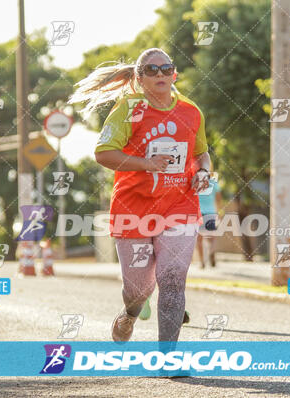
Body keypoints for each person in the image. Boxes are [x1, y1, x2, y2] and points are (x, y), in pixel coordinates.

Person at [69, 48, 211, 342]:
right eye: (151, 69)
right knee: (138, 290)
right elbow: (103, 153)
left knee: (172, 282)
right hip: (132, 209)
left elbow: (201, 154)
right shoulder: (129, 108)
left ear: (174, 73)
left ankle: (168, 358)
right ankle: (130, 313)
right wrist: (146, 164)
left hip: (179, 205)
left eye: (165, 68)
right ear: (139, 77)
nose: (159, 74)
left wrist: (203, 173)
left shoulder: (191, 111)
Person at [197, 168, 222, 268]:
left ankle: (202, 261)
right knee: (212, 238)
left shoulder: (196, 183)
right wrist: (220, 211)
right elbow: (218, 198)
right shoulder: (213, 182)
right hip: (211, 212)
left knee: (199, 239)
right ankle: (211, 253)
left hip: (199, 213)